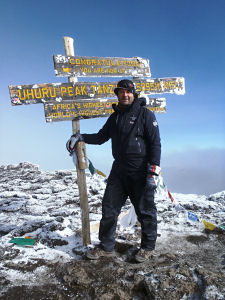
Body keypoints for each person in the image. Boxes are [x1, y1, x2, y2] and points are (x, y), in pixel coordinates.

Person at [66, 79, 161, 263]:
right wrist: (80, 137)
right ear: (117, 95)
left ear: (134, 93)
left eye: (128, 92)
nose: (125, 95)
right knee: (109, 208)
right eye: (121, 92)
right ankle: (106, 246)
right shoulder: (115, 117)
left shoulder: (145, 115)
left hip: (140, 170)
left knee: (146, 211)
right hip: (118, 170)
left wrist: (153, 171)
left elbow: (155, 144)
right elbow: (101, 137)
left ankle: (148, 248)